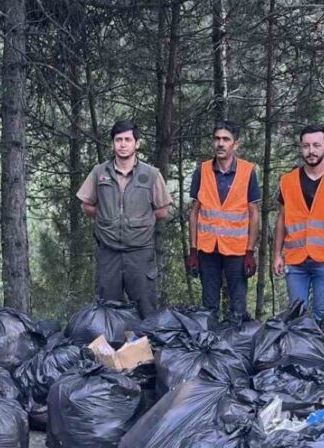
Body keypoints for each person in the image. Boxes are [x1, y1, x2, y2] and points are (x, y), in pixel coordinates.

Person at [77, 120, 172, 317]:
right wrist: (107, 217)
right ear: (112, 143)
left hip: (140, 253)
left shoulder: (151, 174)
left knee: (146, 309)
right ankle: (115, 339)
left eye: (128, 140)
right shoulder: (99, 172)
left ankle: (145, 339)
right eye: (118, 140)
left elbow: (163, 211)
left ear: (137, 143)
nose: (122, 144)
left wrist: (139, 220)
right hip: (108, 252)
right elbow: (86, 205)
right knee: (107, 311)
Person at [272, 125, 324, 329]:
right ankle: (298, 348)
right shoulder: (288, 181)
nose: (311, 151)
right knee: (296, 314)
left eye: (316, 145)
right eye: (306, 146)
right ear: (301, 148)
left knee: (322, 314)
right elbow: (282, 219)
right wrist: (277, 255)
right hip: (295, 258)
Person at [186, 120, 261, 325]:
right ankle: (210, 342)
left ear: (235, 144)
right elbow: (194, 212)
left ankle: (237, 342)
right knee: (209, 306)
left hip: (237, 249)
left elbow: (254, 214)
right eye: (217, 139)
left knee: (238, 307)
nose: (220, 143)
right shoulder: (202, 170)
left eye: (226, 139)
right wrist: (193, 250)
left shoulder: (248, 171)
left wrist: (250, 252)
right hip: (207, 248)